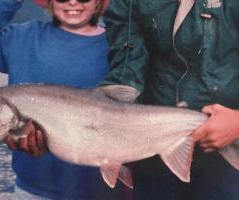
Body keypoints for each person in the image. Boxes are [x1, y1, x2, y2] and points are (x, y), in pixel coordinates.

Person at [0, 0, 129, 199]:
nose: (73, 2)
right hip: (32, 191)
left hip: (103, 191)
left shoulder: (122, 47)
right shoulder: (21, 38)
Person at [101, 0, 239, 200]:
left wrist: (236, 122)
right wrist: (109, 128)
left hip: (226, 153)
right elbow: (127, 70)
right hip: (155, 143)